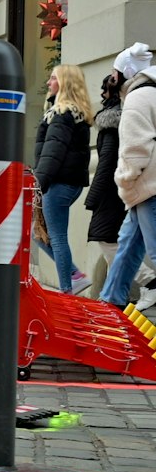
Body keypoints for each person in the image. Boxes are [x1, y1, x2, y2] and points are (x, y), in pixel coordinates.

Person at [34, 62, 95, 294]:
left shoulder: (61, 114)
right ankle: (74, 275)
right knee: (40, 234)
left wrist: (38, 184)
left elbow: (53, 152)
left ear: (64, 83)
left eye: (53, 78)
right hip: (66, 183)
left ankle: (68, 289)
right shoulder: (73, 113)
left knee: (56, 237)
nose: (49, 82)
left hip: (57, 183)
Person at [103, 54, 156, 309]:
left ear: (125, 73)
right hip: (146, 187)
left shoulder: (137, 98)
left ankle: (110, 303)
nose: (111, 77)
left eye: (115, 72)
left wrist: (124, 182)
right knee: (127, 245)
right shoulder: (150, 93)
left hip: (148, 187)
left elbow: (135, 152)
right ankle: (110, 303)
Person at [85, 71, 126, 296]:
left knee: (106, 238)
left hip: (111, 191)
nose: (101, 94)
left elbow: (106, 164)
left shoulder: (111, 126)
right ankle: (113, 294)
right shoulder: (117, 122)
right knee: (113, 238)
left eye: (105, 89)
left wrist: (93, 197)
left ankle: (148, 280)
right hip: (118, 188)